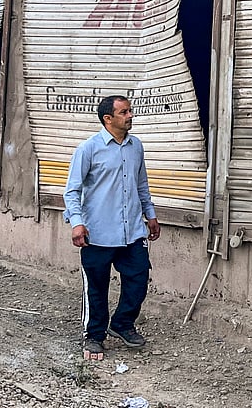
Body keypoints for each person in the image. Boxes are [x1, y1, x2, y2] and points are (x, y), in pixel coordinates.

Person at [64, 95, 161, 361]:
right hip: (97, 233)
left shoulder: (135, 146)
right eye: (124, 112)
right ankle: (94, 336)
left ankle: (122, 324)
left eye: (130, 111)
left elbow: (141, 184)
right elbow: (72, 191)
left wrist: (150, 214)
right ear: (108, 118)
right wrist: (77, 223)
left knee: (139, 278)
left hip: (132, 231)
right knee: (97, 287)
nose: (130, 116)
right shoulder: (88, 149)